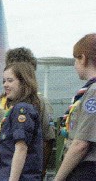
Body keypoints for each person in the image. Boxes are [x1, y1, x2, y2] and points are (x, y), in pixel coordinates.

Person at [0, 47, 55, 177]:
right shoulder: (3, 101)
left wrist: (40, 171)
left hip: (25, 171)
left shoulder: (40, 102)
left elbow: (48, 140)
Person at [54, 33, 96, 181]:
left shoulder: (93, 92)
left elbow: (81, 144)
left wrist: (58, 178)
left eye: (75, 59)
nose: (74, 65)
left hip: (87, 169)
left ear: (83, 58)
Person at [0, 62, 43, 181]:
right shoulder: (13, 110)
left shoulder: (22, 109)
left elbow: (21, 148)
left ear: (24, 82)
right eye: (4, 81)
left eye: (10, 80)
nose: (5, 85)